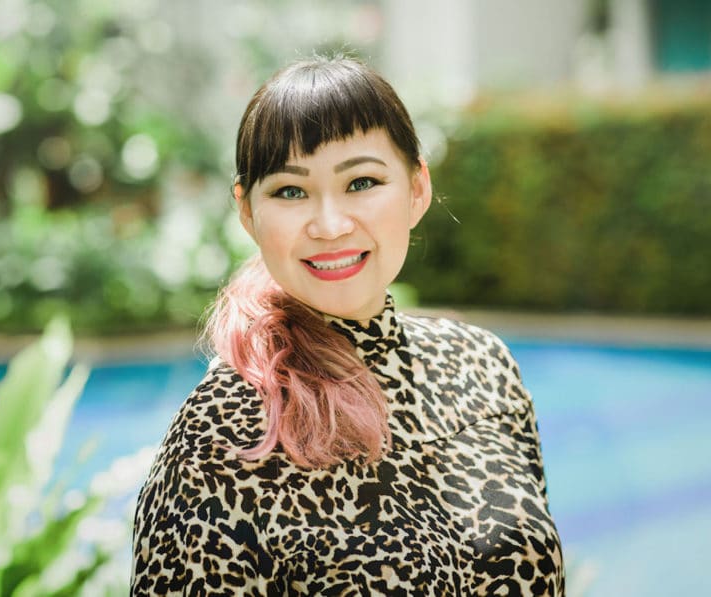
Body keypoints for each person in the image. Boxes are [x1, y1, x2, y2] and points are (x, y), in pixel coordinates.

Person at [131, 55, 564, 596]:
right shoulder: (222, 431)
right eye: (290, 191)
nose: (331, 225)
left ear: (417, 189)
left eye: (361, 182)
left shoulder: (483, 366)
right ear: (247, 213)